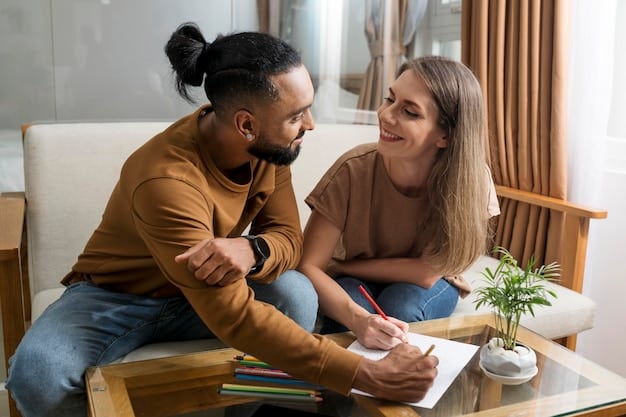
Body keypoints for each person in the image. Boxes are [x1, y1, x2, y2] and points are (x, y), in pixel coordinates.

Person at [6, 23, 438, 417]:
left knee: (297, 295)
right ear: (246, 124)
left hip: (210, 290)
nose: (310, 123)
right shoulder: (165, 179)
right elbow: (233, 314)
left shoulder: (271, 149)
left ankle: (248, 412)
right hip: (119, 297)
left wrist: (252, 248)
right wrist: (365, 373)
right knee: (36, 375)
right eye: (296, 115)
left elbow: (288, 240)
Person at [297, 56, 501, 351]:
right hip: (352, 277)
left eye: (409, 111)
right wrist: (358, 319)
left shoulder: (471, 181)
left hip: (431, 280)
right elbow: (309, 265)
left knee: (401, 311)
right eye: (389, 99)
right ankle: (338, 395)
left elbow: (427, 273)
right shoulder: (354, 170)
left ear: (445, 135)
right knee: (348, 320)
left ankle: (401, 391)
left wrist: (345, 265)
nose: (385, 115)